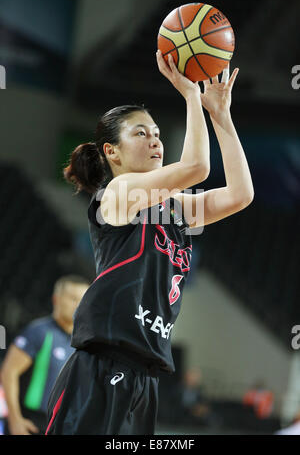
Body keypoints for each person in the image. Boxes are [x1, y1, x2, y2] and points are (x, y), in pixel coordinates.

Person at [45, 50, 254, 435]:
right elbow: (197, 168)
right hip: (101, 366)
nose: (155, 140)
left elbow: (240, 195)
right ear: (112, 152)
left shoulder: (173, 208)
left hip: (145, 378)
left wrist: (221, 116)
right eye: (140, 133)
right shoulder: (118, 193)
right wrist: (192, 95)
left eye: (157, 133)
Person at [1, 275, 89, 435]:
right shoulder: (39, 332)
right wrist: (15, 420)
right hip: (29, 423)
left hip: (59, 426)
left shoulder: (84, 343)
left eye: (83, 299)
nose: (78, 305)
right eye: (72, 298)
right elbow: (8, 372)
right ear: (56, 299)